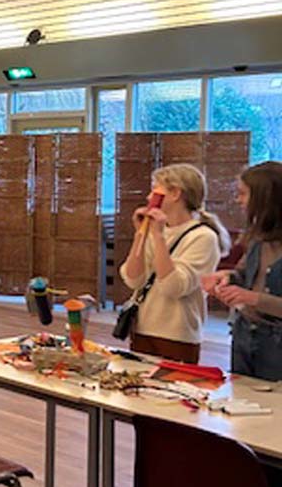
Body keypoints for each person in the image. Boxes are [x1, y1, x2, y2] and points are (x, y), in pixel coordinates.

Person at [119, 163, 229, 363]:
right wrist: (140, 234)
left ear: (175, 193)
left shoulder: (203, 237)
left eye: (155, 190)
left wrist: (158, 237)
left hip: (177, 334)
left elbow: (173, 287)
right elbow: (133, 279)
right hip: (142, 328)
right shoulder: (155, 230)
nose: (148, 197)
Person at [203, 161, 282, 380]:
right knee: (241, 396)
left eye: (243, 194)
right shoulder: (258, 236)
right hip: (245, 337)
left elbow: (253, 294)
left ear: (266, 198)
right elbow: (244, 274)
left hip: (276, 348)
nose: (239, 200)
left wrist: (255, 298)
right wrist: (226, 277)